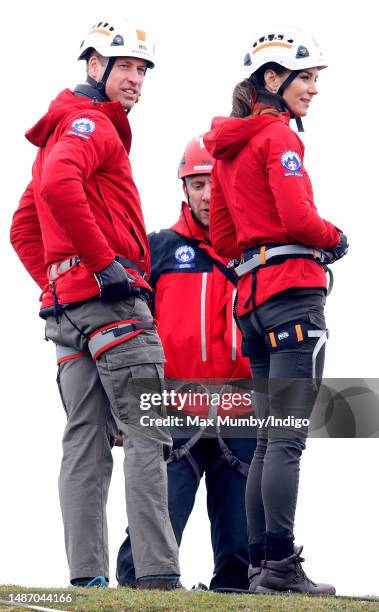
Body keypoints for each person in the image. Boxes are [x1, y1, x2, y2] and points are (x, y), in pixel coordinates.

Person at [10, 17, 181, 590]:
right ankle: (158, 579)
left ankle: (87, 580)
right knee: (148, 432)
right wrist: (103, 266)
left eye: (142, 68)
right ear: (93, 66)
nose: (136, 79)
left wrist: (59, 285)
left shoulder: (61, 130)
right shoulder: (90, 125)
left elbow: (23, 229)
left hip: (69, 316)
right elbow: (59, 190)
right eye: (126, 66)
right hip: (113, 307)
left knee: (83, 440)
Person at [203, 25, 348, 595]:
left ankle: (264, 567)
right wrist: (333, 236)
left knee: (267, 438)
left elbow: (219, 234)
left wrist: (257, 251)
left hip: (252, 302)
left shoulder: (229, 145)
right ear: (273, 78)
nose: (313, 88)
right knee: (285, 438)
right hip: (292, 295)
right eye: (306, 77)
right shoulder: (279, 139)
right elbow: (297, 217)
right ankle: (281, 568)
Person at [116, 136, 257, 591]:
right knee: (156, 526)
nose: (208, 195)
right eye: (198, 184)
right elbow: (125, 329)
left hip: (241, 409)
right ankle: (133, 593)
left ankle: (234, 596)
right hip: (172, 406)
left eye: (215, 183)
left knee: (240, 539)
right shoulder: (157, 249)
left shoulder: (256, 253)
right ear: (185, 189)